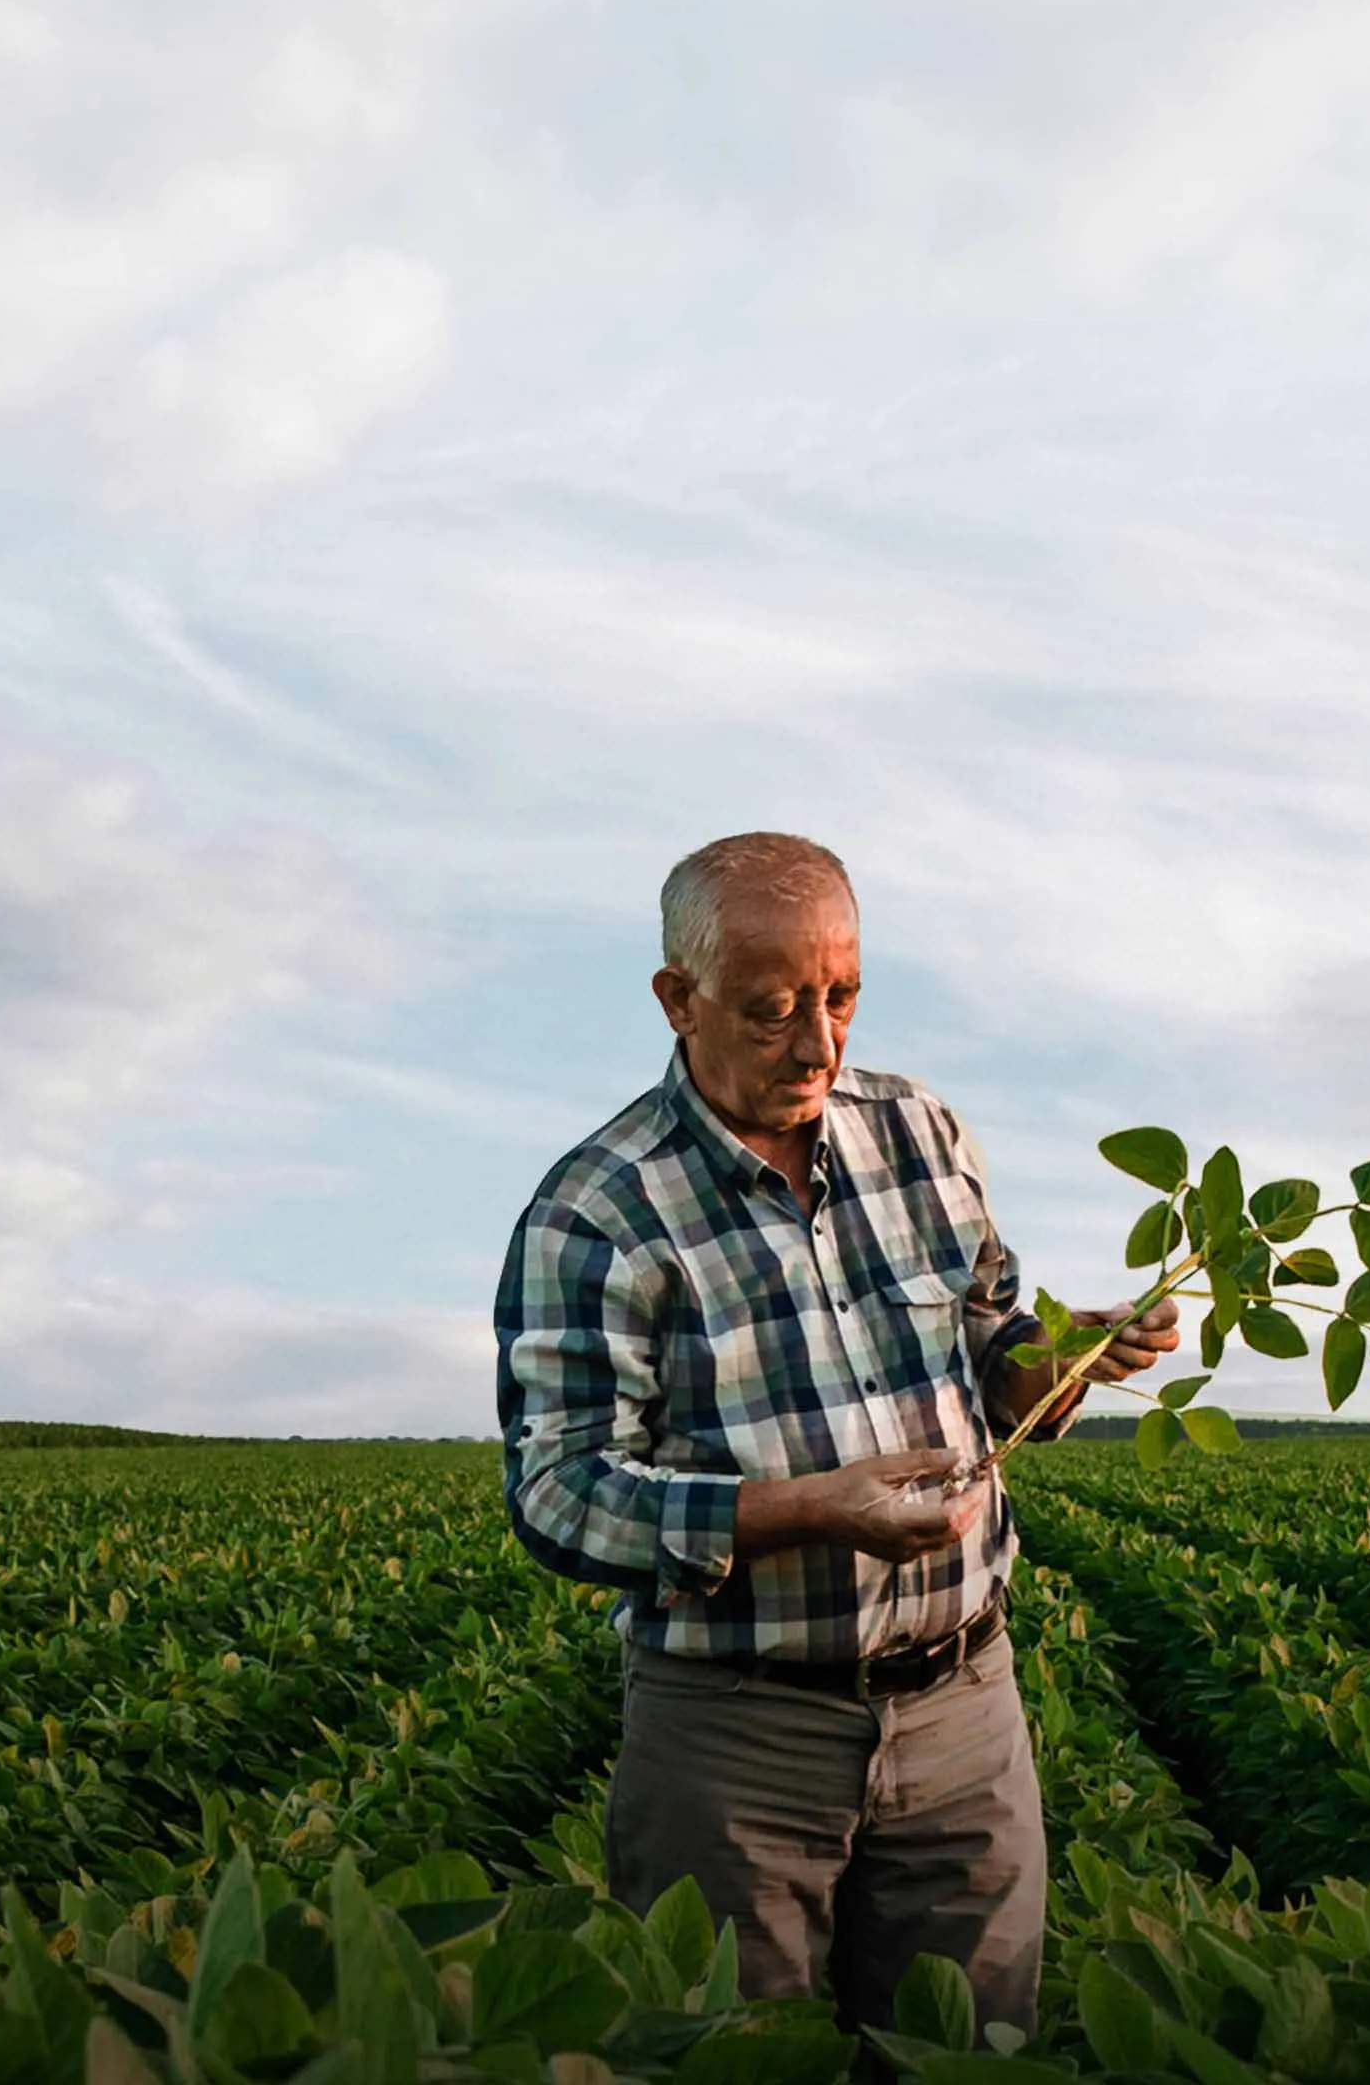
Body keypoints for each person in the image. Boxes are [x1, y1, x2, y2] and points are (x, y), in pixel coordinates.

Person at [489, 831, 1181, 2039]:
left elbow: (989, 1350)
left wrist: (1064, 1353)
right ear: (677, 999)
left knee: (972, 2051)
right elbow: (559, 1493)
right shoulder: (596, 1211)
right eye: (771, 1011)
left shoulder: (921, 1132)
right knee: (736, 2058)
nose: (818, 1044)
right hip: (735, 1738)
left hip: (965, 1706)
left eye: (841, 997)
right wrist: (813, 1507)